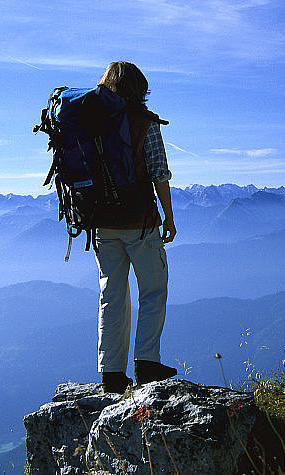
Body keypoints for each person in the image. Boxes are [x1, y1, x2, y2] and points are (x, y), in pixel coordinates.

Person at [93, 61, 178, 394]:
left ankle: (111, 374)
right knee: (153, 289)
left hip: (100, 223)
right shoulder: (145, 122)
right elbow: (159, 172)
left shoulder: (89, 121)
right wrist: (169, 217)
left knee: (111, 295)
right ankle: (147, 363)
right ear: (139, 89)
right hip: (139, 222)